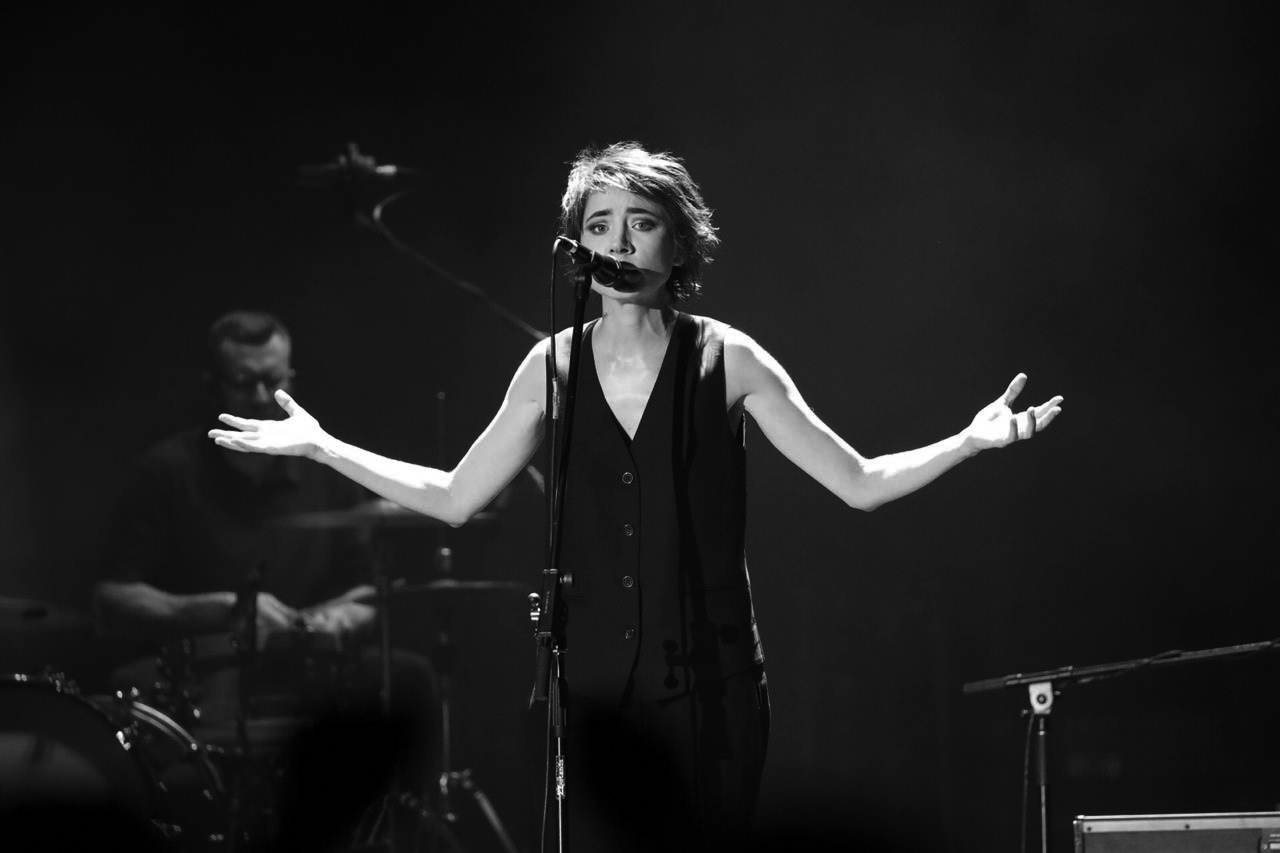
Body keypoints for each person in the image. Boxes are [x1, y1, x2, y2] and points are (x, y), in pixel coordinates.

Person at [208, 142, 1064, 852]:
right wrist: (322, 445)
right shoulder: (550, 367)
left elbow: (859, 483)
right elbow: (454, 496)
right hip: (584, 694)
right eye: (598, 225)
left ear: (678, 245)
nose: (617, 242)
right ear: (577, 247)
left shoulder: (728, 359)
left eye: (640, 223)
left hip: (711, 687)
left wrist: (968, 440)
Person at [93, 309, 439, 850]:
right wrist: (222, 610)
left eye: (273, 380)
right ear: (211, 384)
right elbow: (111, 598)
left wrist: (339, 619)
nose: (260, 395)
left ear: (291, 378)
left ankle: (408, 836)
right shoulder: (166, 472)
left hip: (309, 667)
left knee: (411, 676)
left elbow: (368, 592)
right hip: (202, 674)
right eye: (243, 381)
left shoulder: (325, 470)